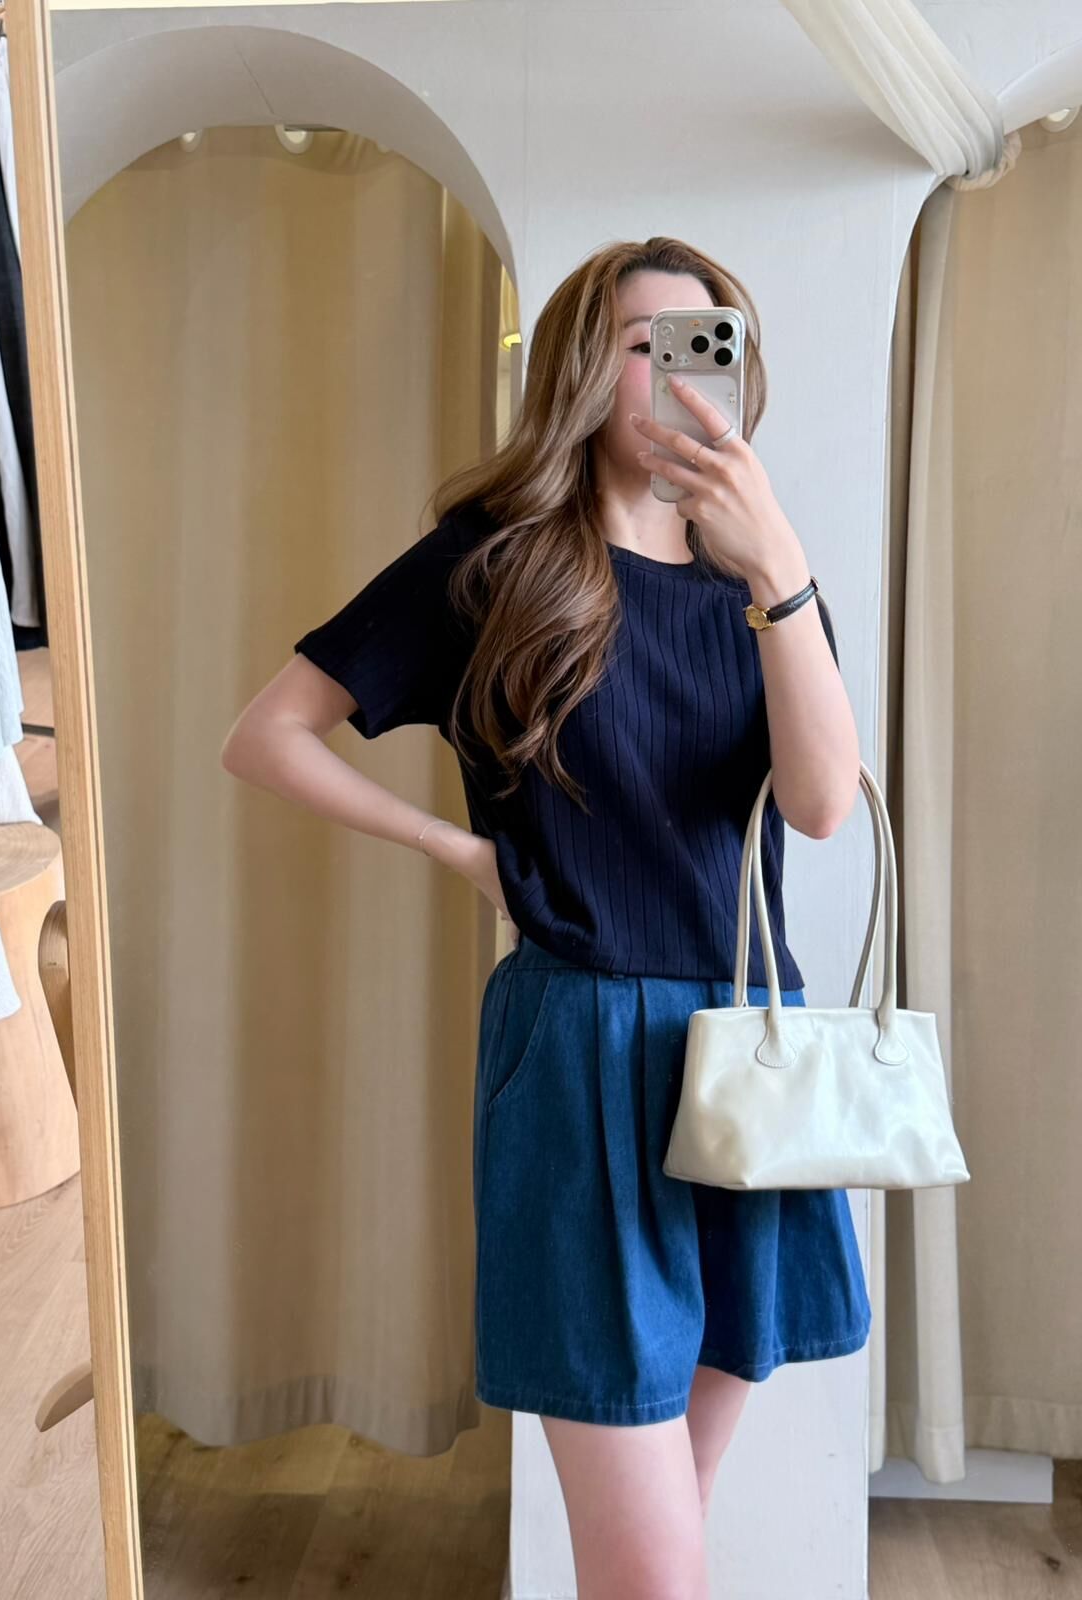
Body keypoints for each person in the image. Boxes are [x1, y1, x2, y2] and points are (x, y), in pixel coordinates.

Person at [220, 235, 871, 1600]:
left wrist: (779, 567)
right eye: (646, 345)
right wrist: (462, 852)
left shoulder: (758, 584)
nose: (681, 374)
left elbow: (821, 805)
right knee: (653, 1571)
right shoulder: (499, 563)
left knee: (668, 1537)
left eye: (709, 344)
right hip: (581, 1056)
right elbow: (266, 735)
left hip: (748, 1055)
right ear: (581, 369)